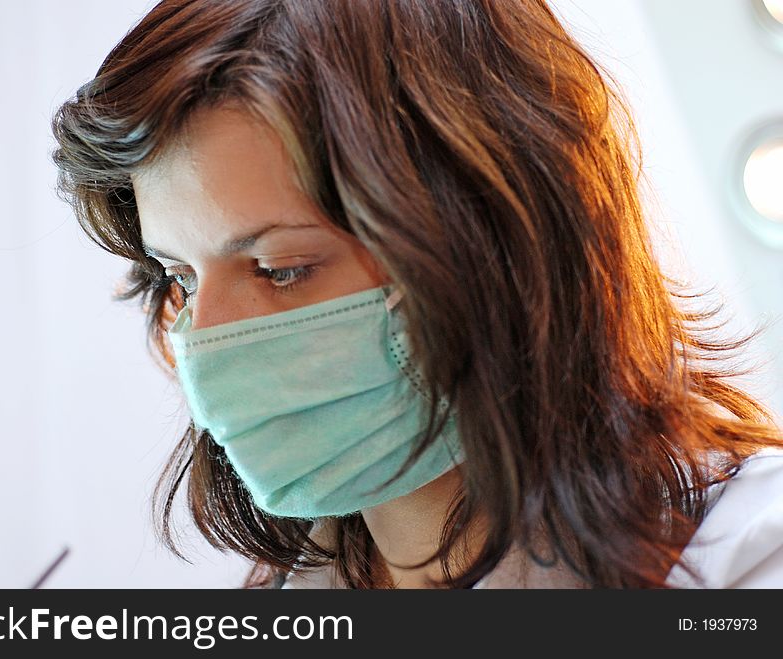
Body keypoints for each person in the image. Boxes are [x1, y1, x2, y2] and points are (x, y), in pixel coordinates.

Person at [51, 0, 783, 589]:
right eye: (179, 277)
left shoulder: (748, 556)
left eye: (280, 268)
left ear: (496, 243)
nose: (202, 340)